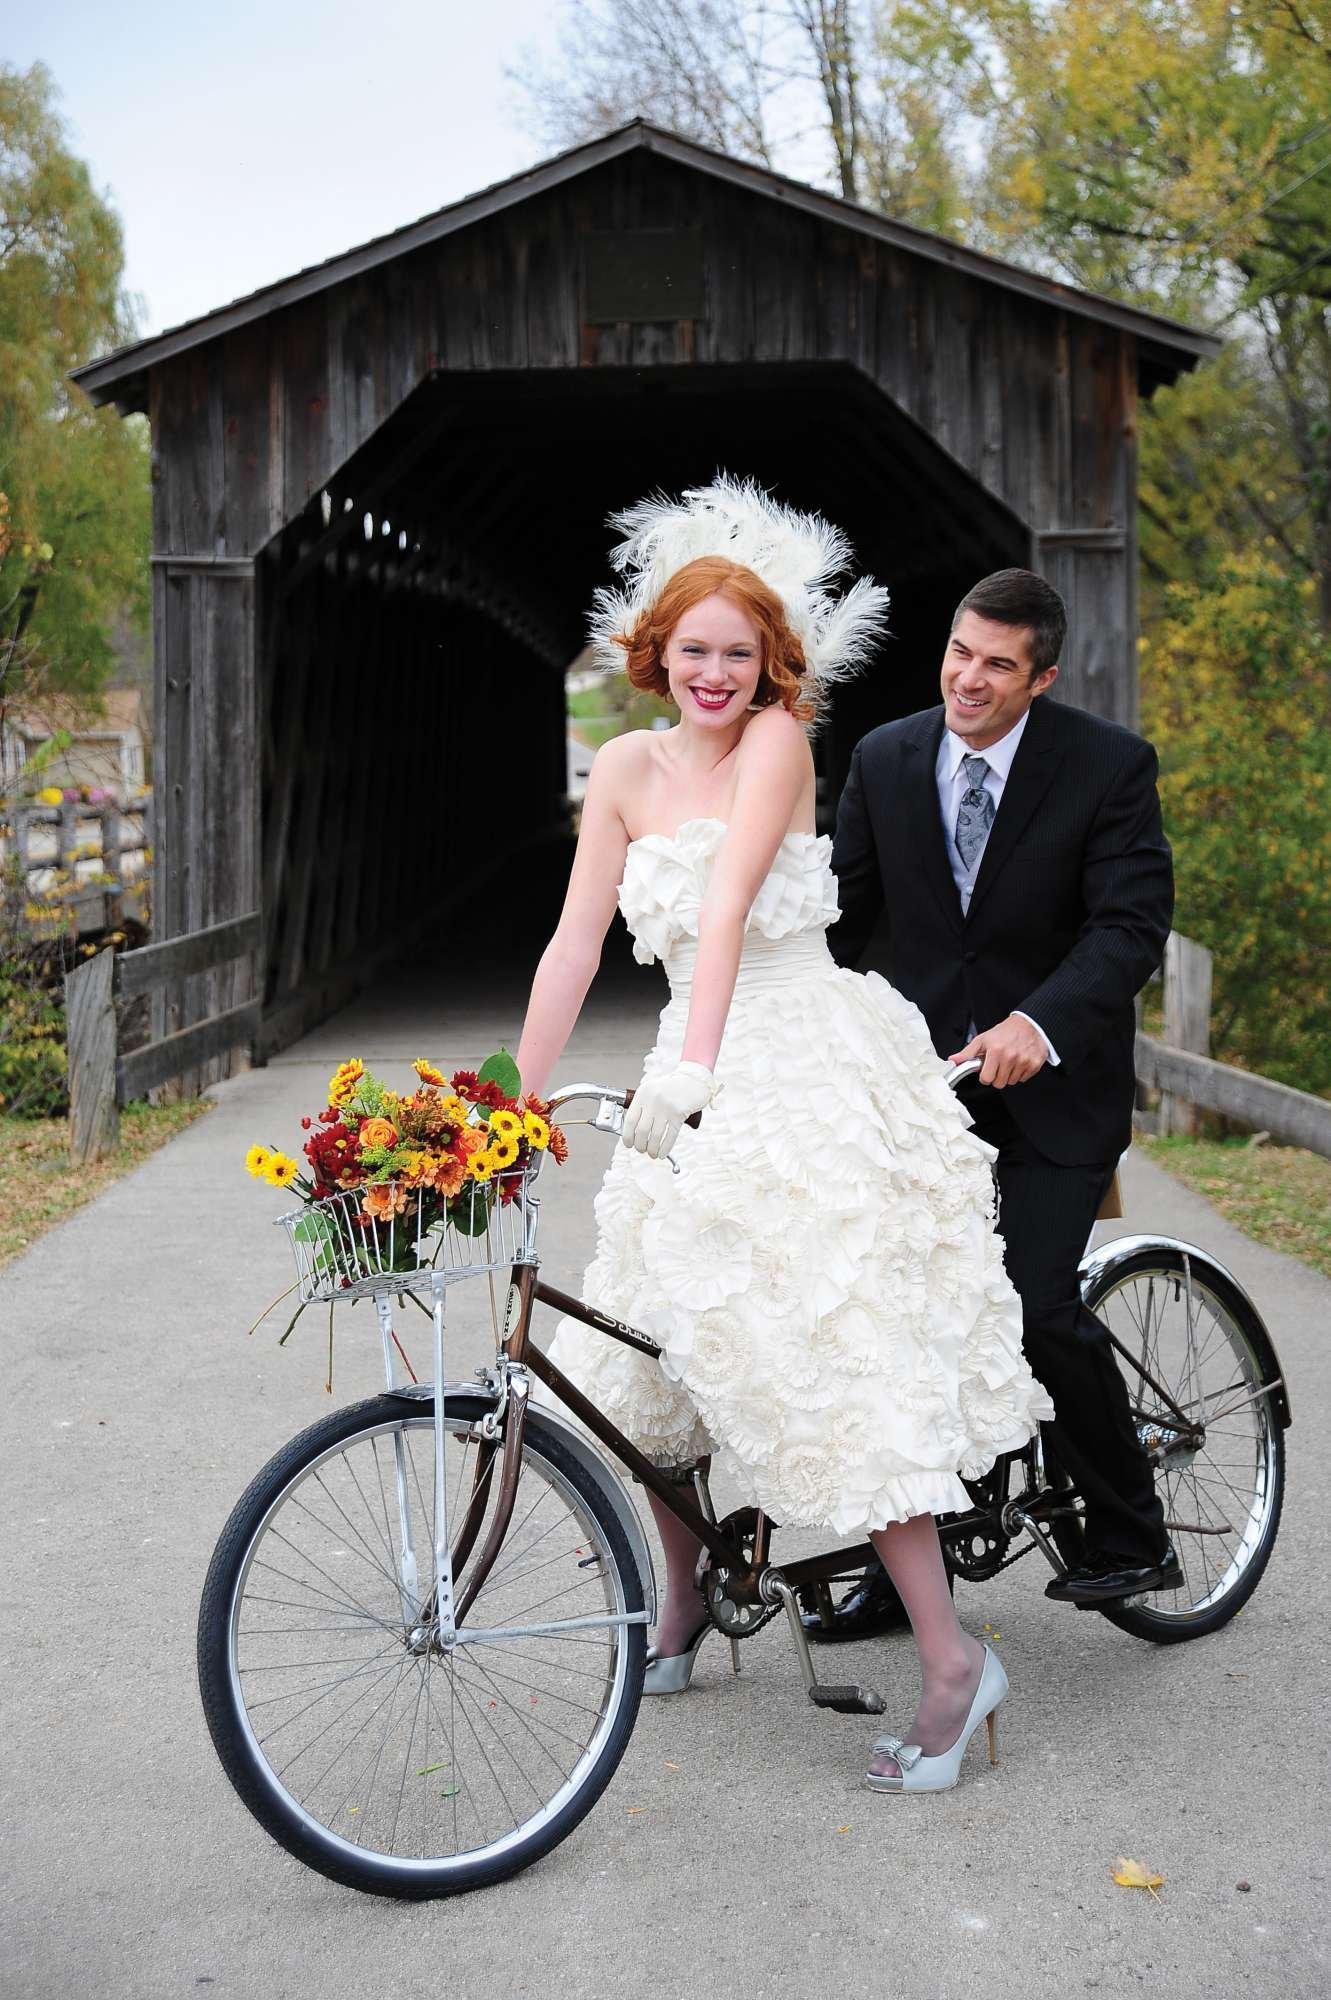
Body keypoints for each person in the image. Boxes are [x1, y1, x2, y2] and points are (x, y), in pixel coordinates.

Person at [514, 479, 1053, 1793]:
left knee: (835, 1359)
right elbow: (580, 938)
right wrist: (504, 1096)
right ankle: (683, 1602)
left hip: (792, 1053)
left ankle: (946, 1662)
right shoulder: (626, 773)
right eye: (691, 651)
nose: (712, 674)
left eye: (736, 655)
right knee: (653, 1354)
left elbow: (731, 904)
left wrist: (698, 1066)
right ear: (654, 653)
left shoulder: (775, 745)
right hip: (687, 1068)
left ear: (767, 664)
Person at [816, 567, 1179, 1644]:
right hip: (926, 1096)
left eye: (997, 665)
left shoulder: (1107, 766)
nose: (968, 679)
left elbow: (1128, 924)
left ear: (1041, 676)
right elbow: (841, 922)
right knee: (889, 1319)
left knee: (1025, 1305)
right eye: (958, 653)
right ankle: (904, 1570)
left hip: (1055, 1093)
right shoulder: (884, 757)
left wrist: (1039, 1020)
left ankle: (1129, 1529)